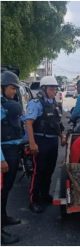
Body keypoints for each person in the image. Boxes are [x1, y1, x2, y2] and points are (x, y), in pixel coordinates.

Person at [24, 76, 66, 213]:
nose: (54, 91)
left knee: (49, 170)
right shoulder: (36, 103)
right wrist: (32, 143)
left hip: (53, 142)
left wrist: (61, 136)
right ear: (44, 89)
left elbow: (56, 123)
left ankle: (44, 194)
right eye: (51, 88)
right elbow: (28, 123)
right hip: (40, 141)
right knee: (38, 171)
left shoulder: (54, 103)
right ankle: (34, 200)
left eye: (55, 89)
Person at [1, 71, 22, 244]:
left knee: (6, 189)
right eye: (11, 88)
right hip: (4, 153)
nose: (14, 91)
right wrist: (1, 159)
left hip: (13, 151)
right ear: (2, 88)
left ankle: (3, 218)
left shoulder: (7, 104)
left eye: (15, 88)